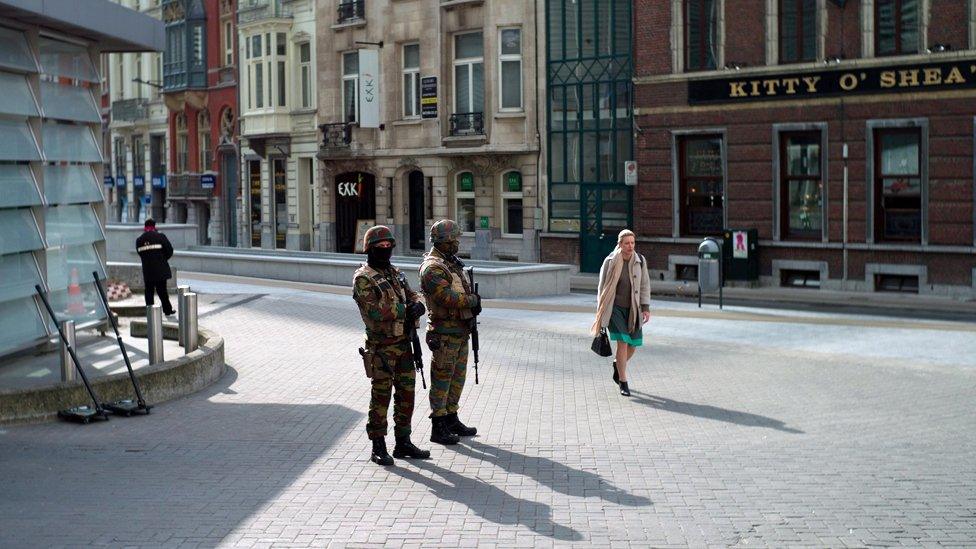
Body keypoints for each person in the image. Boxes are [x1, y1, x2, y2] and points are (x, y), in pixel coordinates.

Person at [352, 225, 431, 466]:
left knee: (406, 394)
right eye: (380, 247)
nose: (385, 250)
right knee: (381, 397)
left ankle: (403, 442)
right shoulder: (363, 279)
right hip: (381, 348)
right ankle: (378, 445)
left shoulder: (395, 273)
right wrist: (405, 310)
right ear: (370, 249)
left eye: (388, 246)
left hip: (404, 344)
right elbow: (375, 311)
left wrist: (418, 305)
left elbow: (413, 294)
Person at [420, 219, 481, 445]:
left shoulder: (450, 263)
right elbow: (445, 297)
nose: (457, 244)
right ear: (444, 241)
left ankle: (451, 417)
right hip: (444, 333)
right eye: (454, 240)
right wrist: (472, 300)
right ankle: (438, 425)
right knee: (442, 379)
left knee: (457, 378)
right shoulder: (433, 267)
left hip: (460, 330)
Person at [592, 229, 651, 397]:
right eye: (627, 243)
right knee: (623, 343)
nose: (630, 246)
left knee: (634, 344)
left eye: (633, 243)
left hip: (633, 309)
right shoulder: (610, 261)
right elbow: (602, 287)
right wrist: (601, 310)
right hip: (615, 308)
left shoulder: (640, 261)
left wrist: (645, 307)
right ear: (620, 244)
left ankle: (618, 364)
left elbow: (645, 285)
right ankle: (623, 382)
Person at [135, 218, 175, 316]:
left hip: (148, 270)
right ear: (154, 226)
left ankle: (150, 312)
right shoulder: (160, 237)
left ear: (144, 227)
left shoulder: (139, 240)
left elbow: (140, 254)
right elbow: (170, 250)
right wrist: (162, 259)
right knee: (162, 291)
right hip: (161, 269)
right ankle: (167, 310)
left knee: (149, 291)